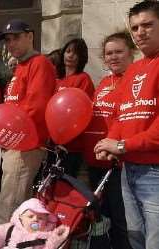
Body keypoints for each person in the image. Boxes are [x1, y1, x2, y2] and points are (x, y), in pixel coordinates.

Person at [94, 1, 159, 248]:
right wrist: (108, 142)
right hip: (128, 168)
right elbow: (123, 115)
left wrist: (121, 145)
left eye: (147, 25)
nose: (140, 32)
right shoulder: (133, 70)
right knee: (134, 238)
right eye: (135, 27)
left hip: (155, 171)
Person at [0, 19, 56, 224]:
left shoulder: (39, 63)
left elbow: (35, 107)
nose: (10, 44)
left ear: (30, 36)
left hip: (26, 144)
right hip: (15, 142)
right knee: (12, 200)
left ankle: (4, 242)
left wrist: (6, 131)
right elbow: (12, 105)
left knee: (10, 203)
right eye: (7, 40)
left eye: (16, 38)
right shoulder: (21, 67)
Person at [82, 32, 135, 249]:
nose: (113, 57)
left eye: (119, 52)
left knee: (121, 221)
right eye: (109, 53)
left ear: (131, 52)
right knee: (102, 218)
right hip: (95, 161)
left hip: (117, 163)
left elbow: (126, 118)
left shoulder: (134, 79)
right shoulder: (104, 82)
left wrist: (113, 145)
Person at [55, 38, 95, 177]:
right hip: (53, 143)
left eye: (75, 53)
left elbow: (81, 111)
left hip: (72, 145)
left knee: (66, 184)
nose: (70, 55)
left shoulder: (83, 79)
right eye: (68, 51)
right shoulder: (57, 81)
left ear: (81, 57)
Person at [0, 198, 69, 249]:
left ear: (46, 221)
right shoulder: (11, 229)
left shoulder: (45, 236)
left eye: (40, 218)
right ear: (21, 218)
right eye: (30, 217)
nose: (35, 220)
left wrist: (57, 238)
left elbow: (50, 246)